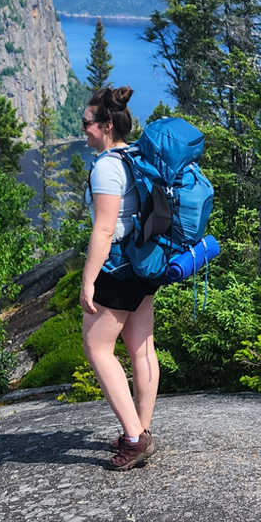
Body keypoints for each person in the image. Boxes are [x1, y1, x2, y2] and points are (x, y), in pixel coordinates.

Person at [79, 85, 160, 471]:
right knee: (142, 349)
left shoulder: (107, 166)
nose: (84, 130)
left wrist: (88, 281)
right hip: (145, 264)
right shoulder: (135, 156)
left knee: (97, 347)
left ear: (107, 126)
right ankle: (141, 430)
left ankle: (133, 437)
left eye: (87, 124)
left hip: (118, 269)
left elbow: (104, 230)